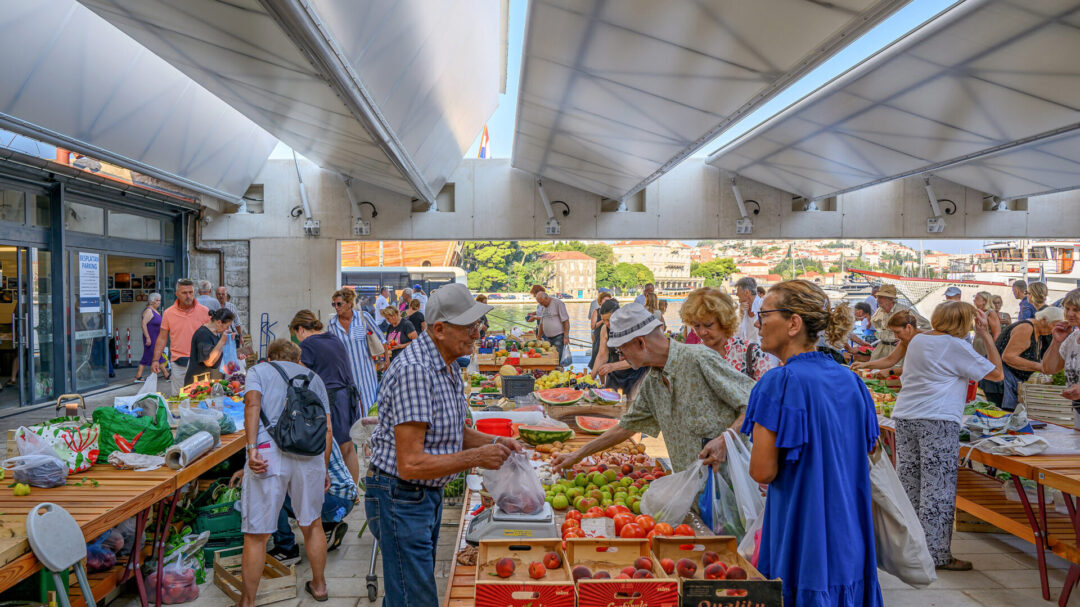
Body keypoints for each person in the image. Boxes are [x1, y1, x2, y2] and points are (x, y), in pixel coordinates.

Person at [366, 284, 519, 607]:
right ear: (439, 329)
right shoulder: (416, 371)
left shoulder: (446, 364)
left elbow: (452, 431)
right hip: (400, 496)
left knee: (405, 589)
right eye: (469, 327)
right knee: (416, 597)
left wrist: (497, 441)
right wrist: (478, 456)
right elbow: (411, 463)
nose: (477, 334)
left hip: (421, 494)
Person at [742, 279, 882, 607]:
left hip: (801, 535)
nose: (758, 324)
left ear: (794, 323)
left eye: (764, 315)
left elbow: (762, 471)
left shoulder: (777, 383)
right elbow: (864, 452)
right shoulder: (852, 381)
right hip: (850, 536)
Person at [555, 302, 754, 475]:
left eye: (621, 349)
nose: (621, 356)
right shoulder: (652, 382)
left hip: (731, 486)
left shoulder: (699, 359)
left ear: (640, 342)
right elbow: (626, 427)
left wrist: (725, 440)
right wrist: (576, 455)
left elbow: (754, 401)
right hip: (691, 488)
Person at [888, 302, 1004, 571]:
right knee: (937, 487)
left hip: (906, 415)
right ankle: (937, 554)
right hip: (937, 419)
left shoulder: (919, 340)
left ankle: (909, 549)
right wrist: (986, 335)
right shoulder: (955, 346)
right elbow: (996, 374)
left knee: (910, 483)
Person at [240, 339, 332, 605]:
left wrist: (251, 447)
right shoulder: (314, 379)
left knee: (257, 534)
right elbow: (326, 428)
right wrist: (324, 467)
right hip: (310, 456)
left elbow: (252, 405)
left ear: (270, 357)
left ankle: (247, 601)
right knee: (313, 524)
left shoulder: (258, 371)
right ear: (297, 358)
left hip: (268, 454)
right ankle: (320, 585)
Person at [290, 310, 365, 484]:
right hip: (349, 395)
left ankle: (336, 489)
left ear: (301, 329)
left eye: (296, 335)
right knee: (349, 447)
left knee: (337, 447)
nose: (298, 339)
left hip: (334, 397)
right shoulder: (332, 337)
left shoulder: (308, 343)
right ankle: (352, 491)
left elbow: (299, 373)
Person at [266, 440, 356, 564]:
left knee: (269, 491)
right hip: (346, 497)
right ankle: (327, 526)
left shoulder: (295, 433)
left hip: (332, 500)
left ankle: (286, 548)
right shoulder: (317, 424)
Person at [680, 287, 777, 380]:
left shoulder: (752, 354)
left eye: (708, 325)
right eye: (696, 326)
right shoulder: (693, 356)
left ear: (724, 321)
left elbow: (769, 393)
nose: (702, 332)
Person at [983, 307, 1063, 410]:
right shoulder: (1026, 328)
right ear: (1043, 320)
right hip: (1000, 382)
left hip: (1005, 381)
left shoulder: (1039, 332)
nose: (1057, 328)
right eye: (1056, 324)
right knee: (1001, 417)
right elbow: (1008, 357)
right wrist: (1040, 367)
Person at [328, 288, 383, 416]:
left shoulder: (364, 317)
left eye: (339, 304)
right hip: (345, 375)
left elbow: (381, 339)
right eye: (334, 304)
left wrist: (386, 361)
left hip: (366, 373)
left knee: (369, 407)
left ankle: (370, 435)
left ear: (349, 304)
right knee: (350, 409)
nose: (336, 307)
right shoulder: (332, 324)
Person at [152, 279, 211, 395]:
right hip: (179, 363)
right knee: (179, 399)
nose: (188, 296)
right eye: (184, 293)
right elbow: (162, 338)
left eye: (191, 292)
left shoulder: (205, 312)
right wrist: (155, 360)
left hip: (201, 363)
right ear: (177, 294)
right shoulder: (169, 313)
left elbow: (213, 335)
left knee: (201, 399)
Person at [590, 299, 647, 392]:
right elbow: (602, 355)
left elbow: (638, 358)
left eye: (609, 319)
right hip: (615, 374)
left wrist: (612, 366)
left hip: (635, 374)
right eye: (604, 320)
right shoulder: (605, 329)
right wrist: (591, 378)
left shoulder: (631, 327)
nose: (607, 323)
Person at [854, 310, 926, 378]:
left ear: (909, 327)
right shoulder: (905, 341)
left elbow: (918, 368)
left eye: (897, 332)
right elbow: (890, 360)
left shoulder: (924, 340)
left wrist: (891, 371)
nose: (895, 336)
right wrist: (864, 365)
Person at [868, 285, 927, 362]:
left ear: (890, 299)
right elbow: (873, 321)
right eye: (878, 297)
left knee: (894, 372)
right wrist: (881, 332)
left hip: (897, 349)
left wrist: (909, 338)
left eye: (881, 297)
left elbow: (926, 325)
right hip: (881, 348)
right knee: (873, 370)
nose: (877, 299)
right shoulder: (880, 310)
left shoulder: (904, 310)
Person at [1043, 289, 1080, 404]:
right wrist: (1057, 341)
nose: (1069, 314)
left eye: (1076, 310)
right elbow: (1049, 368)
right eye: (1067, 308)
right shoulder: (1072, 338)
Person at [184, 307, 235, 386]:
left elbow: (218, 354)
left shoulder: (215, 333)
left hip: (208, 382)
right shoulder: (203, 334)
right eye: (227, 326)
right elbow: (209, 361)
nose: (227, 329)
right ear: (219, 322)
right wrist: (222, 341)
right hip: (197, 384)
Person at [526, 285, 570, 362]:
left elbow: (565, 321)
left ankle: (558, 371)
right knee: (549, 358)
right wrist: (538, 337)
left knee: (556, 359)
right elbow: (542, 323)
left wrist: (566, 336)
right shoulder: (543, 306)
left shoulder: (558, 303)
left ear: (546, 298)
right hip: (547, 338)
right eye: (540, 303)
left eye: (542, 303)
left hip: (558, 337)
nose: (542, 305)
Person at [135, 293, 165, 382]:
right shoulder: (148, 311)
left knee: (149, 355)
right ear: (151, 301)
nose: (159, 302)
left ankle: (138, 376)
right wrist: (148, 337)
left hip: (156, 337)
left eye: (159, 300)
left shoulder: (155, 311)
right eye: (157, 300)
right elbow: (143, 324)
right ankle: (166, 374)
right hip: (150, 337)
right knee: (156, 354)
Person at [973, 291, 1002, 358]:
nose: (974, 300)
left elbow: (997, 333)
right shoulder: (979, 312)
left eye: (977, 298)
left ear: (984, 301)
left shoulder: (990, 313)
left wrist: (993, 351)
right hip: (978, 345)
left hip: (986, 346)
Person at [735, 277, 763, 344]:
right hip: (746, 351)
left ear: (747, 292)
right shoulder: (741, 309)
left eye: (738, 291)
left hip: (762, 351)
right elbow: (735, 334)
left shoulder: (764, 306)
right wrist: (740, 314)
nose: (736, 294)